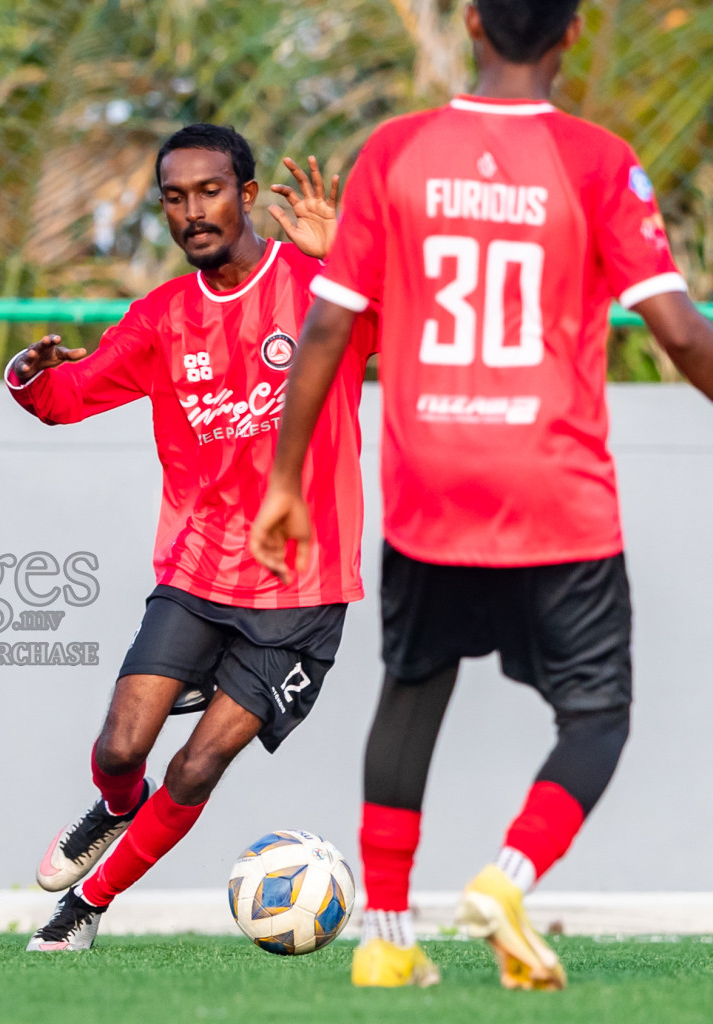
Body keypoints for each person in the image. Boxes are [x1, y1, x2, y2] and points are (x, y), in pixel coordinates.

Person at [251, 0, 713, 991]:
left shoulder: (395, 153)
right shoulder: (598, 161)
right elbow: (676, 329)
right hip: (556, 489)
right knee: (596, 716)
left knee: (413, 693)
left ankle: (383, 939)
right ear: (574, 31)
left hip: (430, 486)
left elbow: (328, 331)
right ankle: (506, 880)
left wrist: (286, 478)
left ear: (469, 23)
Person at [6, 124, 377, 952]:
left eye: (209, 191)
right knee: (119, 746)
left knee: (197, 766)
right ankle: (113, 809)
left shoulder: (324, 290)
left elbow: (414, 325)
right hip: (199, 574)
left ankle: (85, 909)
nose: (191, 212)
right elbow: (70, 396)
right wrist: (29, 377)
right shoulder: (163, 318)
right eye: (174, 198)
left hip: (302, 591)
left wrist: (347, 254)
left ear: (247, 196)